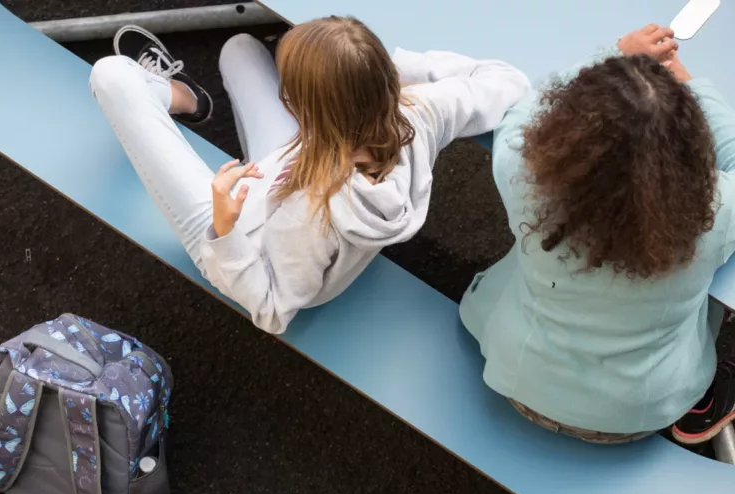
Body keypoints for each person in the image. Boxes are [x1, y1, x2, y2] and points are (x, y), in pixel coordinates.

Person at [88, 19, 530, 334]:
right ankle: (190, 99)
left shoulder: (312, 216)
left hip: (240, 233)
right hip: (286, 165)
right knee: (239, 47)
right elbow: (507, 80)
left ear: (304, 109)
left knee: (111, 76)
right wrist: (382, 74)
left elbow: (271, 309)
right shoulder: (418, 111)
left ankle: (170, 94)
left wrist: (222, 226)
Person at [459, 24, 735, 444]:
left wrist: (614, 54)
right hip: (635, 415)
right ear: (691, 145)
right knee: (712, 298)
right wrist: (685, 82)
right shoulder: (714, 209)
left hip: (517, 376)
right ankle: (703, 405)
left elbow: (525, 111)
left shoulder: (526, 171)